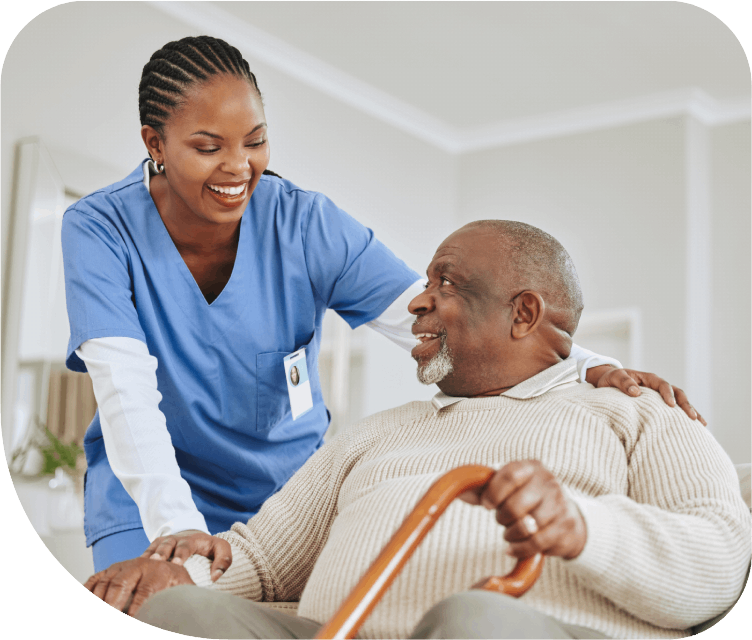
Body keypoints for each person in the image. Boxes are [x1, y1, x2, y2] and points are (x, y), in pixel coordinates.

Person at [62, 35, 703, 575]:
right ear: (155, 142)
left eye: (255, 141)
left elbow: (434, 319)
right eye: (209, 147)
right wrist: (177, 525)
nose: (240, 167)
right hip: (147, 494)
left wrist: (585, 363)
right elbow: (125, 392)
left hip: (283, 500)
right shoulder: (98, 230)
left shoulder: (304, 224)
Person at [85, 221, 751, 640]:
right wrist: (171, 579)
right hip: (334, 632)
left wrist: (583, 527)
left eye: (447, 282)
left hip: (522, 628)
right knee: (177, 617)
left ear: (524, 313)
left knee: (475, 621)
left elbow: (721, 560)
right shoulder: (374, 434)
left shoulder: (637, 411)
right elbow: (260, 561)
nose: (417, 300)